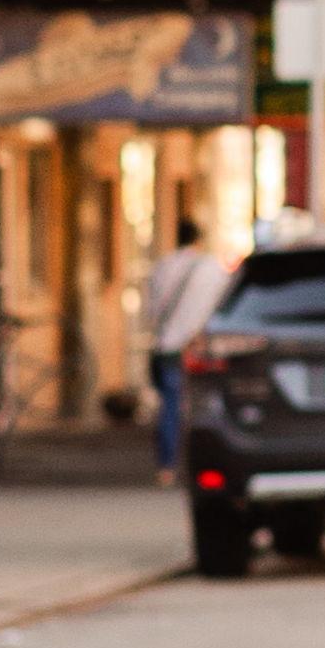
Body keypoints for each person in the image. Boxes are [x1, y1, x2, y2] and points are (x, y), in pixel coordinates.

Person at [141, 201, 232, 477]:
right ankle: (204, 464)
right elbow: (223, 307)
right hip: (201, 348)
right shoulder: (212, 268)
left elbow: (150, 311)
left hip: (168, 346)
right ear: (198, 240)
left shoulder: (163, 267)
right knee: (206, 408)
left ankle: (167, 466)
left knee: (170, 405)